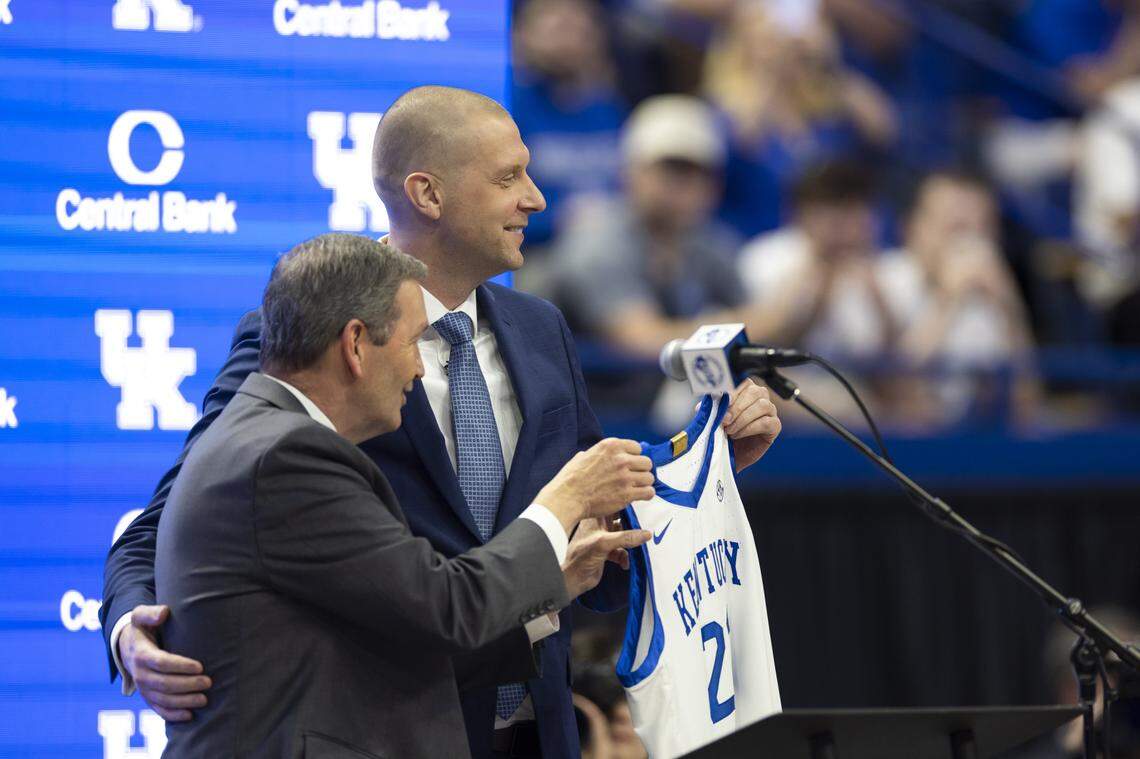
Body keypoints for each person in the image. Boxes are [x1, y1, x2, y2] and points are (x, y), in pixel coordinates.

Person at [99, 86, 782, 759]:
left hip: (537, 727)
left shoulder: (541, 328)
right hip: (384, 728)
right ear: (428, 194)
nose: (536, 199)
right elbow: (181, 510)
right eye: (510, 176)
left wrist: (709, 468)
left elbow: (595, 541)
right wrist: (136, 621)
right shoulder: (308, 330)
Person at [155, 233, 654, 757]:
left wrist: (555, 587)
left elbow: (394, 646)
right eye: (413, 341)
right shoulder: (290, 458)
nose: (420, 368)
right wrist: (567, 497)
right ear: (354, 345)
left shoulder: (268, 436)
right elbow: (447, 605)